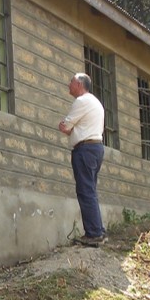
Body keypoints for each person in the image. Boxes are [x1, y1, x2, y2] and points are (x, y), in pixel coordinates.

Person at [58, 73, 106, 246]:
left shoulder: (81, 101)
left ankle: (93, 234)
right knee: (90, 190)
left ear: (79, 84)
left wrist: (66, 127)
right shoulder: (95, 102)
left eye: (71, 81)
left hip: (85, 149)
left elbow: (66, 126)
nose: (68, 84)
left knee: (85, 191)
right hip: (96, 148)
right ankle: (98, 230)